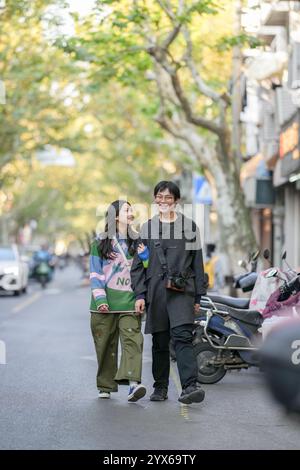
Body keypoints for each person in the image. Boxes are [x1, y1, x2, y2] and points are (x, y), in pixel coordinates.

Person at [131, 181, 207, 405]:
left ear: (176, 201)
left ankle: (190, 386)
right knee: (160, 341)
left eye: (168, 197)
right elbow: (138, 265)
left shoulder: (190, 227)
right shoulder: (146, 228)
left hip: (183, 291)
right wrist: (140, 295)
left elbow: (198, 263)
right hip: (156, 291)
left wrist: (198, 297)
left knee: (183, 337)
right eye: (160, 197)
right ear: (155, 199)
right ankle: (160, 387)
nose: (163, 201)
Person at [89, 200, 146, 402]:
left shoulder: (138, 240)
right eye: (126, 209)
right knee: (105, 346)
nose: (131, 212)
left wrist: (141, 296)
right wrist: (101, 299)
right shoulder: (100, 242)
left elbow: (146, 268)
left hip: (130, 301)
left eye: (132, 209)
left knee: (133, 342)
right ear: (115, 216)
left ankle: (133, 385)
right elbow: (95, 273)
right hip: (104, 305)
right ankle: (105, 385)